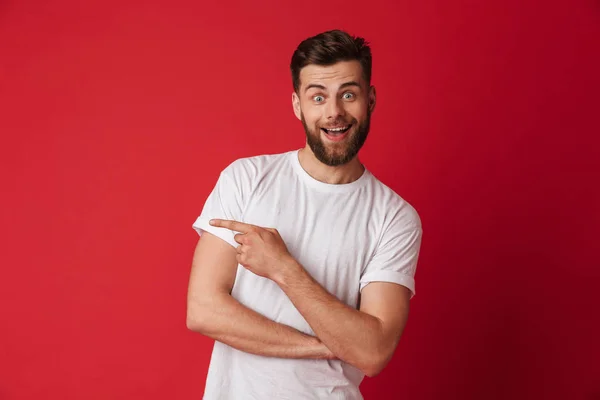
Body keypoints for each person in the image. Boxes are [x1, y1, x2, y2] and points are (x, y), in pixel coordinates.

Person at [186, 29, 423, 400]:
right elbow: (203, 310)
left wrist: (283, 268)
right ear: (298, 104)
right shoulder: (247, 178)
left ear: (370, 99)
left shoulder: (395, 217)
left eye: (349, 94)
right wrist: (329, 345)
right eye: (318, 97)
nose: (334, 112)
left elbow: (373, 353)